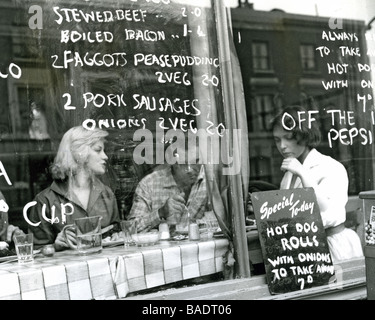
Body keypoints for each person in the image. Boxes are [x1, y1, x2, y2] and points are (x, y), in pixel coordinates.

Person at [271, 105, 363, 263]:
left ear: (304, 135)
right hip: (304, 249)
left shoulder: (331, 167)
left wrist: (303, 173)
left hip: (334, 247)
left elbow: (327, 210)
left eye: (288, 137)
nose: (282, 146)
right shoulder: (288, 174)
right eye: (277, 140)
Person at [28, 126, 120, 251]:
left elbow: (117, 234)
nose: (105, 157)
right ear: (79, 153)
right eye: (98, 150)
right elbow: (33, 253)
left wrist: (116, 237)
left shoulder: (107, 194)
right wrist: (55, 245)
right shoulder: (45, 200)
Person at [127, 142, 211, 232]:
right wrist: (160, 213)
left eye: (195, 162)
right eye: (184, 164)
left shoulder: (210, 180)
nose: (190, 170)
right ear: (172, 163)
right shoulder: (149, 184)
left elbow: (222, 220)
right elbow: (131, 229)